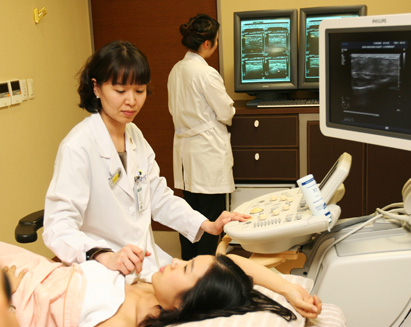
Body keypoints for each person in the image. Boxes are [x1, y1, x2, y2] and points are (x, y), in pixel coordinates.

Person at [43, 40, 248, 284]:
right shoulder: (78, 146)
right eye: (120, 91)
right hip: (104, 271)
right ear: (96, 88)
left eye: (139, 91)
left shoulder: (134, 135)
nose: (131, 100)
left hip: (146, 262)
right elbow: (58, 226)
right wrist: (102, 255)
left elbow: (158, 197)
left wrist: (208, 224)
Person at [0, 241, 322, 327]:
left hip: (16, 296)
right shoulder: (152, 284)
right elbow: (232, 265)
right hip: (35, 268)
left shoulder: (122, 321)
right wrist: (287, 287)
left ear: (182, 305)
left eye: (185, 268)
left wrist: (9, 295)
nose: (175, 262)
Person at [168, 14, 236, 260]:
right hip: (206, 154)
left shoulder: (176, 70)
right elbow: (226, 112)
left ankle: (188, 265)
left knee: (190, 217)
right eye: (216, 41)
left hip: (186, 156)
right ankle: (205, 270)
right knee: (210, 219)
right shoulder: (206, 74)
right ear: (207, 43)